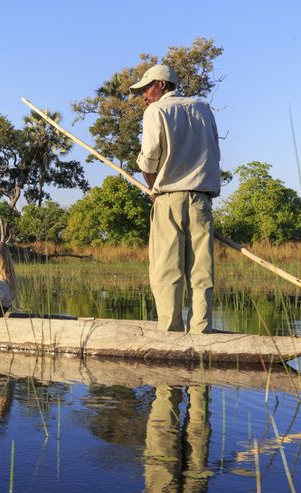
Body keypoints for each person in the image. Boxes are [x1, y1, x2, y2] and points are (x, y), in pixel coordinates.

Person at [130, 63, 221, 333]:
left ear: (161, 84)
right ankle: (201, 331)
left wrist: (154, 190)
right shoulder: (204, 109)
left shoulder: (156, 110)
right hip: (201, 201)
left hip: (168, 198)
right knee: (201, 272)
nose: (144, 95)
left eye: (146, 88)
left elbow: (148, 163)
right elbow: (215, 152)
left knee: (167, 271)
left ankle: (170, 333)